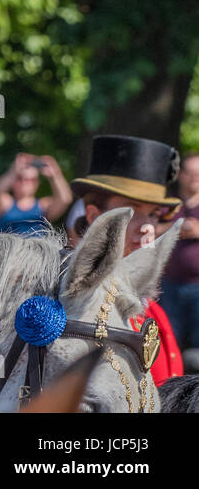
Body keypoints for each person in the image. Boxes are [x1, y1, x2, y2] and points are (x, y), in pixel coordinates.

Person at [70, 134, 185, 384]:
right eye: (132, 211)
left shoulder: (150, 306)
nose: (147, 228)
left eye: (154, 214)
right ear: (93, 216)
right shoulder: (69, 303)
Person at [160, 152, 199, 368]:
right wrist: (177, 227)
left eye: (198, 173)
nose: (195, 178)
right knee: (168, 344)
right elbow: (151, 229)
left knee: (196, 351)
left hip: (198, 287)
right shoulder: (169, 205)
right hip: (169, 285)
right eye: (191, 173)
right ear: (181, 175)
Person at [0, 153, 73, 236]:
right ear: (13, 180)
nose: (25, 182)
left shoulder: (43, 206)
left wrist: (55, 174)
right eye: (20, 178)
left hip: (36, 250)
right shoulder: (5, 203)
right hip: (7, 249)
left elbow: (65, 199)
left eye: (31, 179)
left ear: (37, 183)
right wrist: (12, 172)